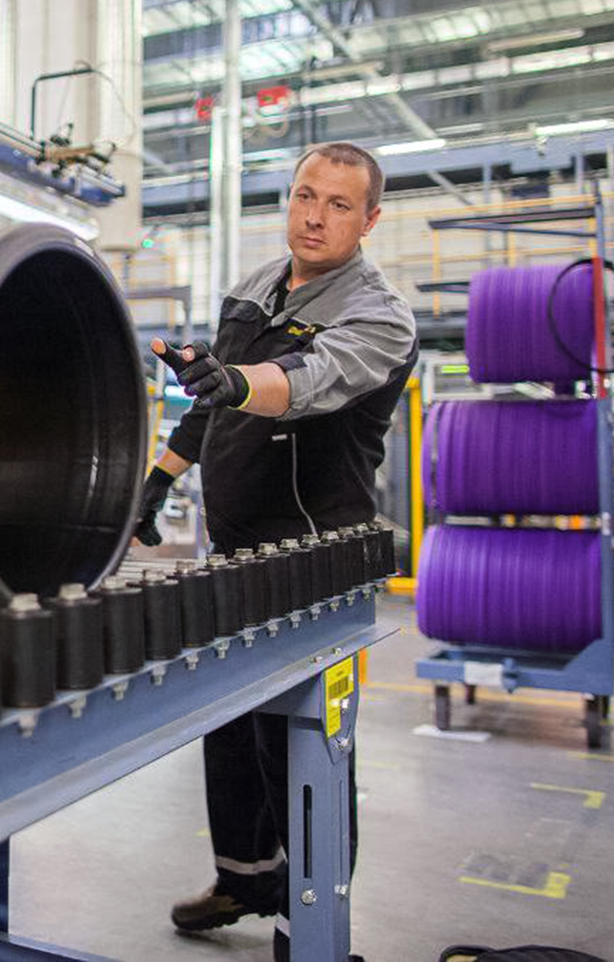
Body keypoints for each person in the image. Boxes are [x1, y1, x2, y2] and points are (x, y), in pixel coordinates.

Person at [134, 142, 417, 944]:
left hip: (314, 561)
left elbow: (308, 379)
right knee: (228, 723)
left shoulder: (380, 315)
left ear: (370, 219)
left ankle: (313, 920)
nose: (314, 216)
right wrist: (159, 478)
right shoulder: (256, 287)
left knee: (305, 740)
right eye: (303, 195)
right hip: (237, 547)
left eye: (337, 204)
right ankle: (244, 879)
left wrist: (234, 380)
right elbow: (211, 400)